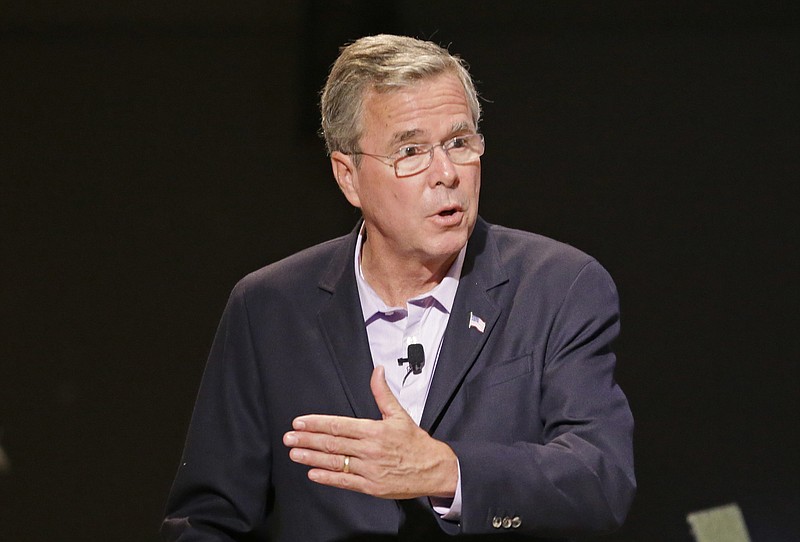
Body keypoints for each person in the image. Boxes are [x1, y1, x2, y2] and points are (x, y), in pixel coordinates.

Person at [161, 34, 635, 541]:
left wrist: (448, 472)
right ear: (349, 177)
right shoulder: (269, 308)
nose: (447, 173)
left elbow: (600, 480)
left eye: (459, 142)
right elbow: (208, 520)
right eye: (410, 151)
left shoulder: (558, 288)